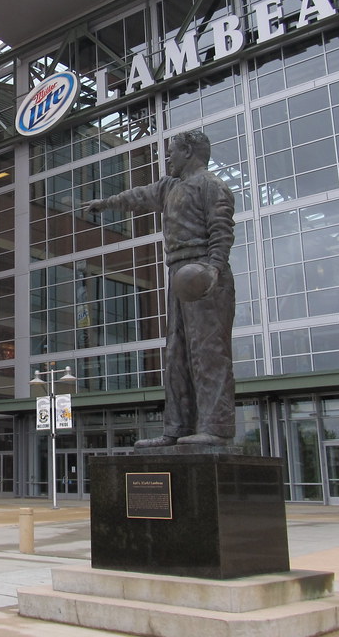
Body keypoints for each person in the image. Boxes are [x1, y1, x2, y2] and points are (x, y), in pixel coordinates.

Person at [84, 129, 236, 447]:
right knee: (176, 354)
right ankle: (176, 428)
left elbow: (221, 231)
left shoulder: (211, 185)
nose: (167, 158)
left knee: (208, 353)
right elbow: (136, 197)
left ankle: (216, 427)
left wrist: (213, 270)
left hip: (205, 277)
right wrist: (104, 203)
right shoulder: (170, 187)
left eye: (172, 153)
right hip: (178, 276)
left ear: (189, 153)